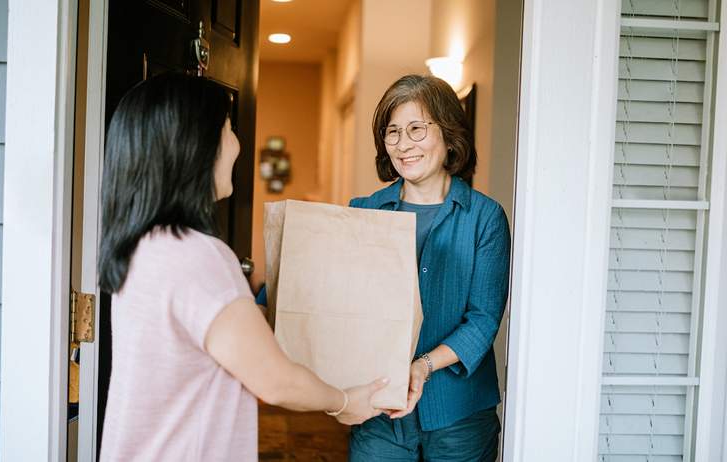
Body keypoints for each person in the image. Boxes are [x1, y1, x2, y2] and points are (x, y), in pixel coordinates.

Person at [97, 73, 387, 461]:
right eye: (229, 129)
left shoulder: (145, 246)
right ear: (196, 147)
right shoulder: (196, 255)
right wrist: (345, 400)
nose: (237, 143)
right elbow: (277, 382)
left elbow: (215, 341)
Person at [347, 74, 511, 461]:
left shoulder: (484, 218)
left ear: (448, 133)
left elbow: (483, 319)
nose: (403, 145)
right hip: (379, 411)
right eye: (393, 132)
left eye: (416, 129)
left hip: (461, 415)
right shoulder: (364, 212)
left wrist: (420, 368)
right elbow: (335, 298)